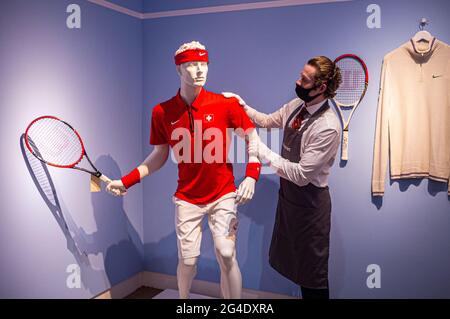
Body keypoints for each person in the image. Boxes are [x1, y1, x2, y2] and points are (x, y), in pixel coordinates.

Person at [106, 41, 261, 299]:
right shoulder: (162, 112)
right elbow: (159, 155)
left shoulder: (225, 104)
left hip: (223, 193)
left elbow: (252, 137)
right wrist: (127, 181)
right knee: (188, 262)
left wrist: (252, 176)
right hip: (187, 197)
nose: (200, 70)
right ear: (179, 70)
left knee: (226, 253)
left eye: (204, 64)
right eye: (192, 65)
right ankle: (184, 300)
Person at [223, 56, 342, 299]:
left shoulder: (328, 127)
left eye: (304, 80)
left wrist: (262, 152)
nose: (297, 82)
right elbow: (268, 121)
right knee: (295, 266)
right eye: (300, 75)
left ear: (320, 88)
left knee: (312, 276)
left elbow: (301, 176)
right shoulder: (297, 106)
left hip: (310, 206)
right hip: (290, 199)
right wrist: (243, 106)